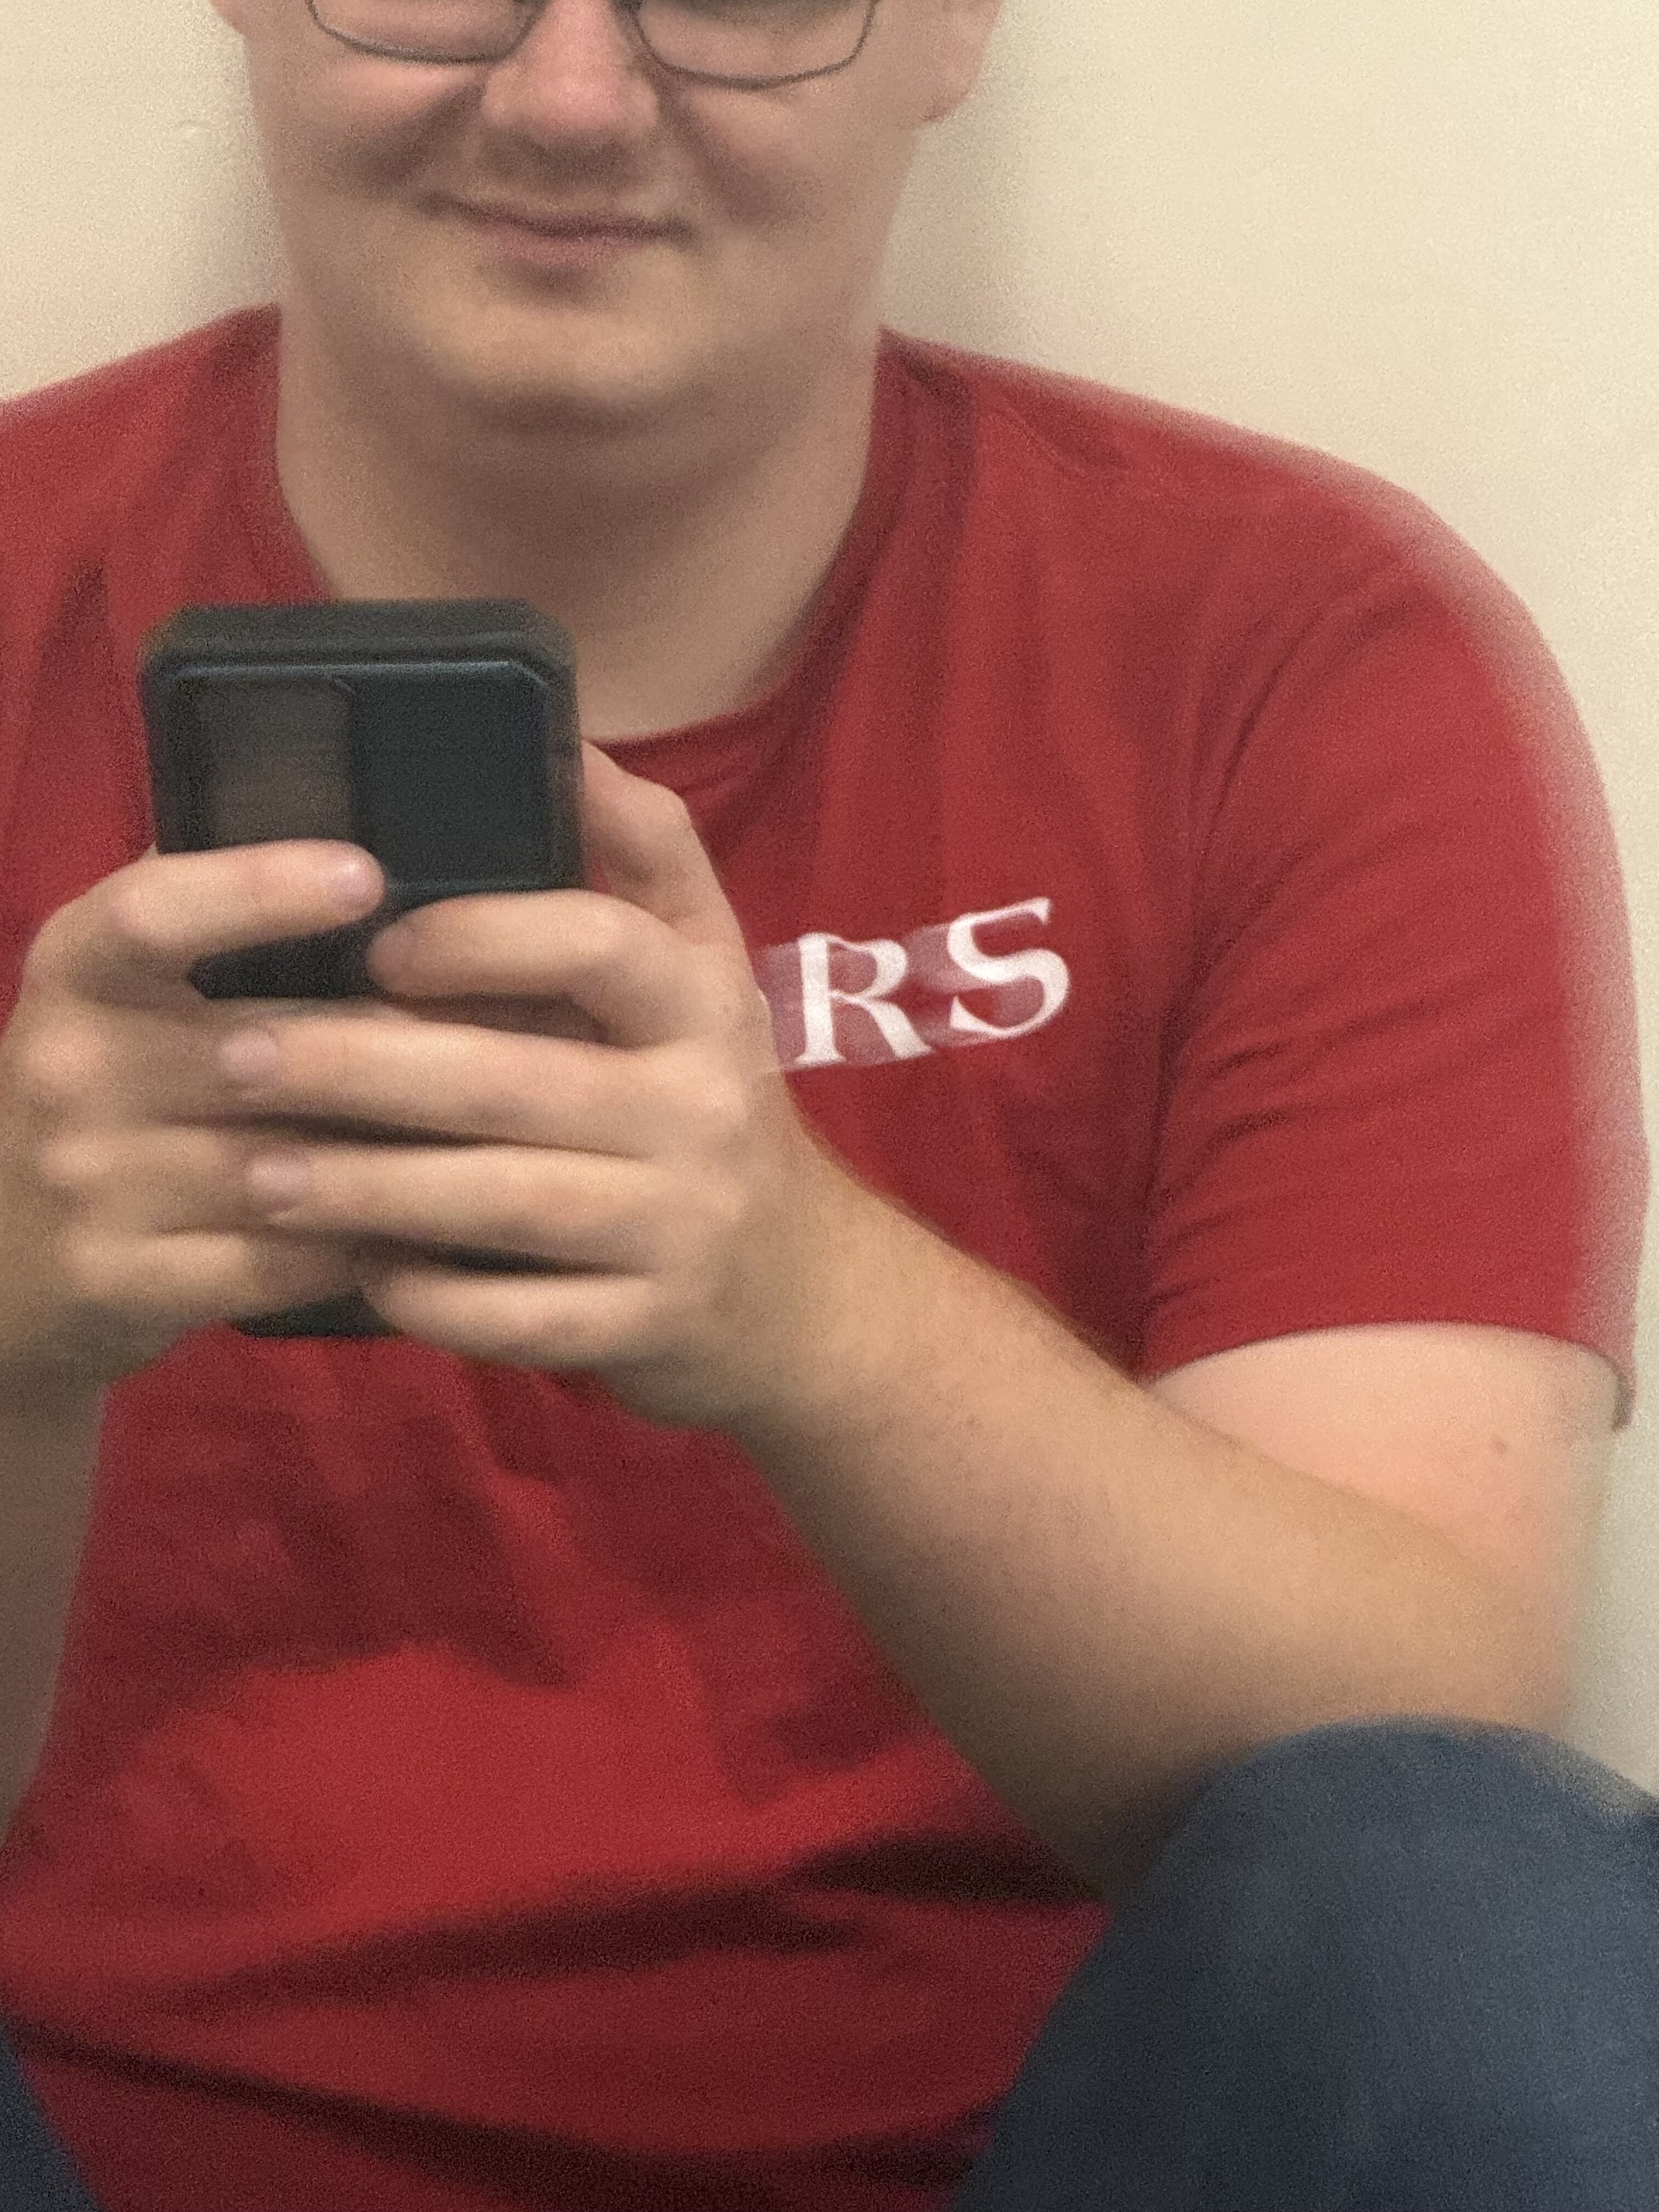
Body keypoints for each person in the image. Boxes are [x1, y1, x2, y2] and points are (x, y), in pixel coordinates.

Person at [0, 0, 1647, 2207]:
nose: (569, 99)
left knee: (1480, 1912)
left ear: (950, 23)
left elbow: (1425, 1746)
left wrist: (806, 1307)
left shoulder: (1294, 653)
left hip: (1057, 2154)